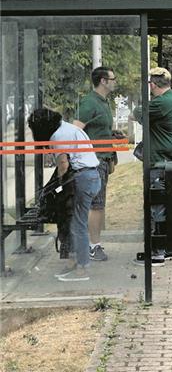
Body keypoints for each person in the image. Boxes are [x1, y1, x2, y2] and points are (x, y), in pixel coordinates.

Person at [28, 108, 101, 282]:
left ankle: (82, 269)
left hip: (82, 178)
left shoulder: (57, 137)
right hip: (92, 176)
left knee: (77, 224)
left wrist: (60, 186)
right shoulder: (67, 128)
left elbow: (63, 164)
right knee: (77, 222)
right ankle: (74, 262)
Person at [132, 67, 172, 264]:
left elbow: (138, 112)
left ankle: (157, 251)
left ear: (153, 85)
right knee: (170, 205)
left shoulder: (162, 102)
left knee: (157, 205)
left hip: (163, 161)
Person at [73, 66, 119, 262]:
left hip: (103, 159)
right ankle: (93, 246)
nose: (115, 81)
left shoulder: (103, 102)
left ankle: (93, 244)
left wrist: (111, 136)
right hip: (94, 161)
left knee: (99, 204)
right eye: (113, 78)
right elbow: (76, 130)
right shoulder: (90, 102)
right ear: (103, 81)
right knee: (96, 205)